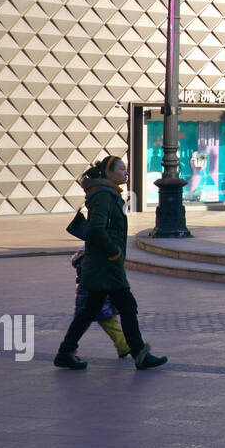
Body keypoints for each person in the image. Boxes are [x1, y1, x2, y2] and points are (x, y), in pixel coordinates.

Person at [53, 155, 167, 371]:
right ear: (109, 173)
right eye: (122, 169)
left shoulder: (107, 193)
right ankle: (139, 354)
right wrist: (114, 252)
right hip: (105, 265)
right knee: (127, 305)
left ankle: (65, 352)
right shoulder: (104, 195)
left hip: (103, 265)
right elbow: (96, 229)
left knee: (89, 311)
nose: (126, 172)